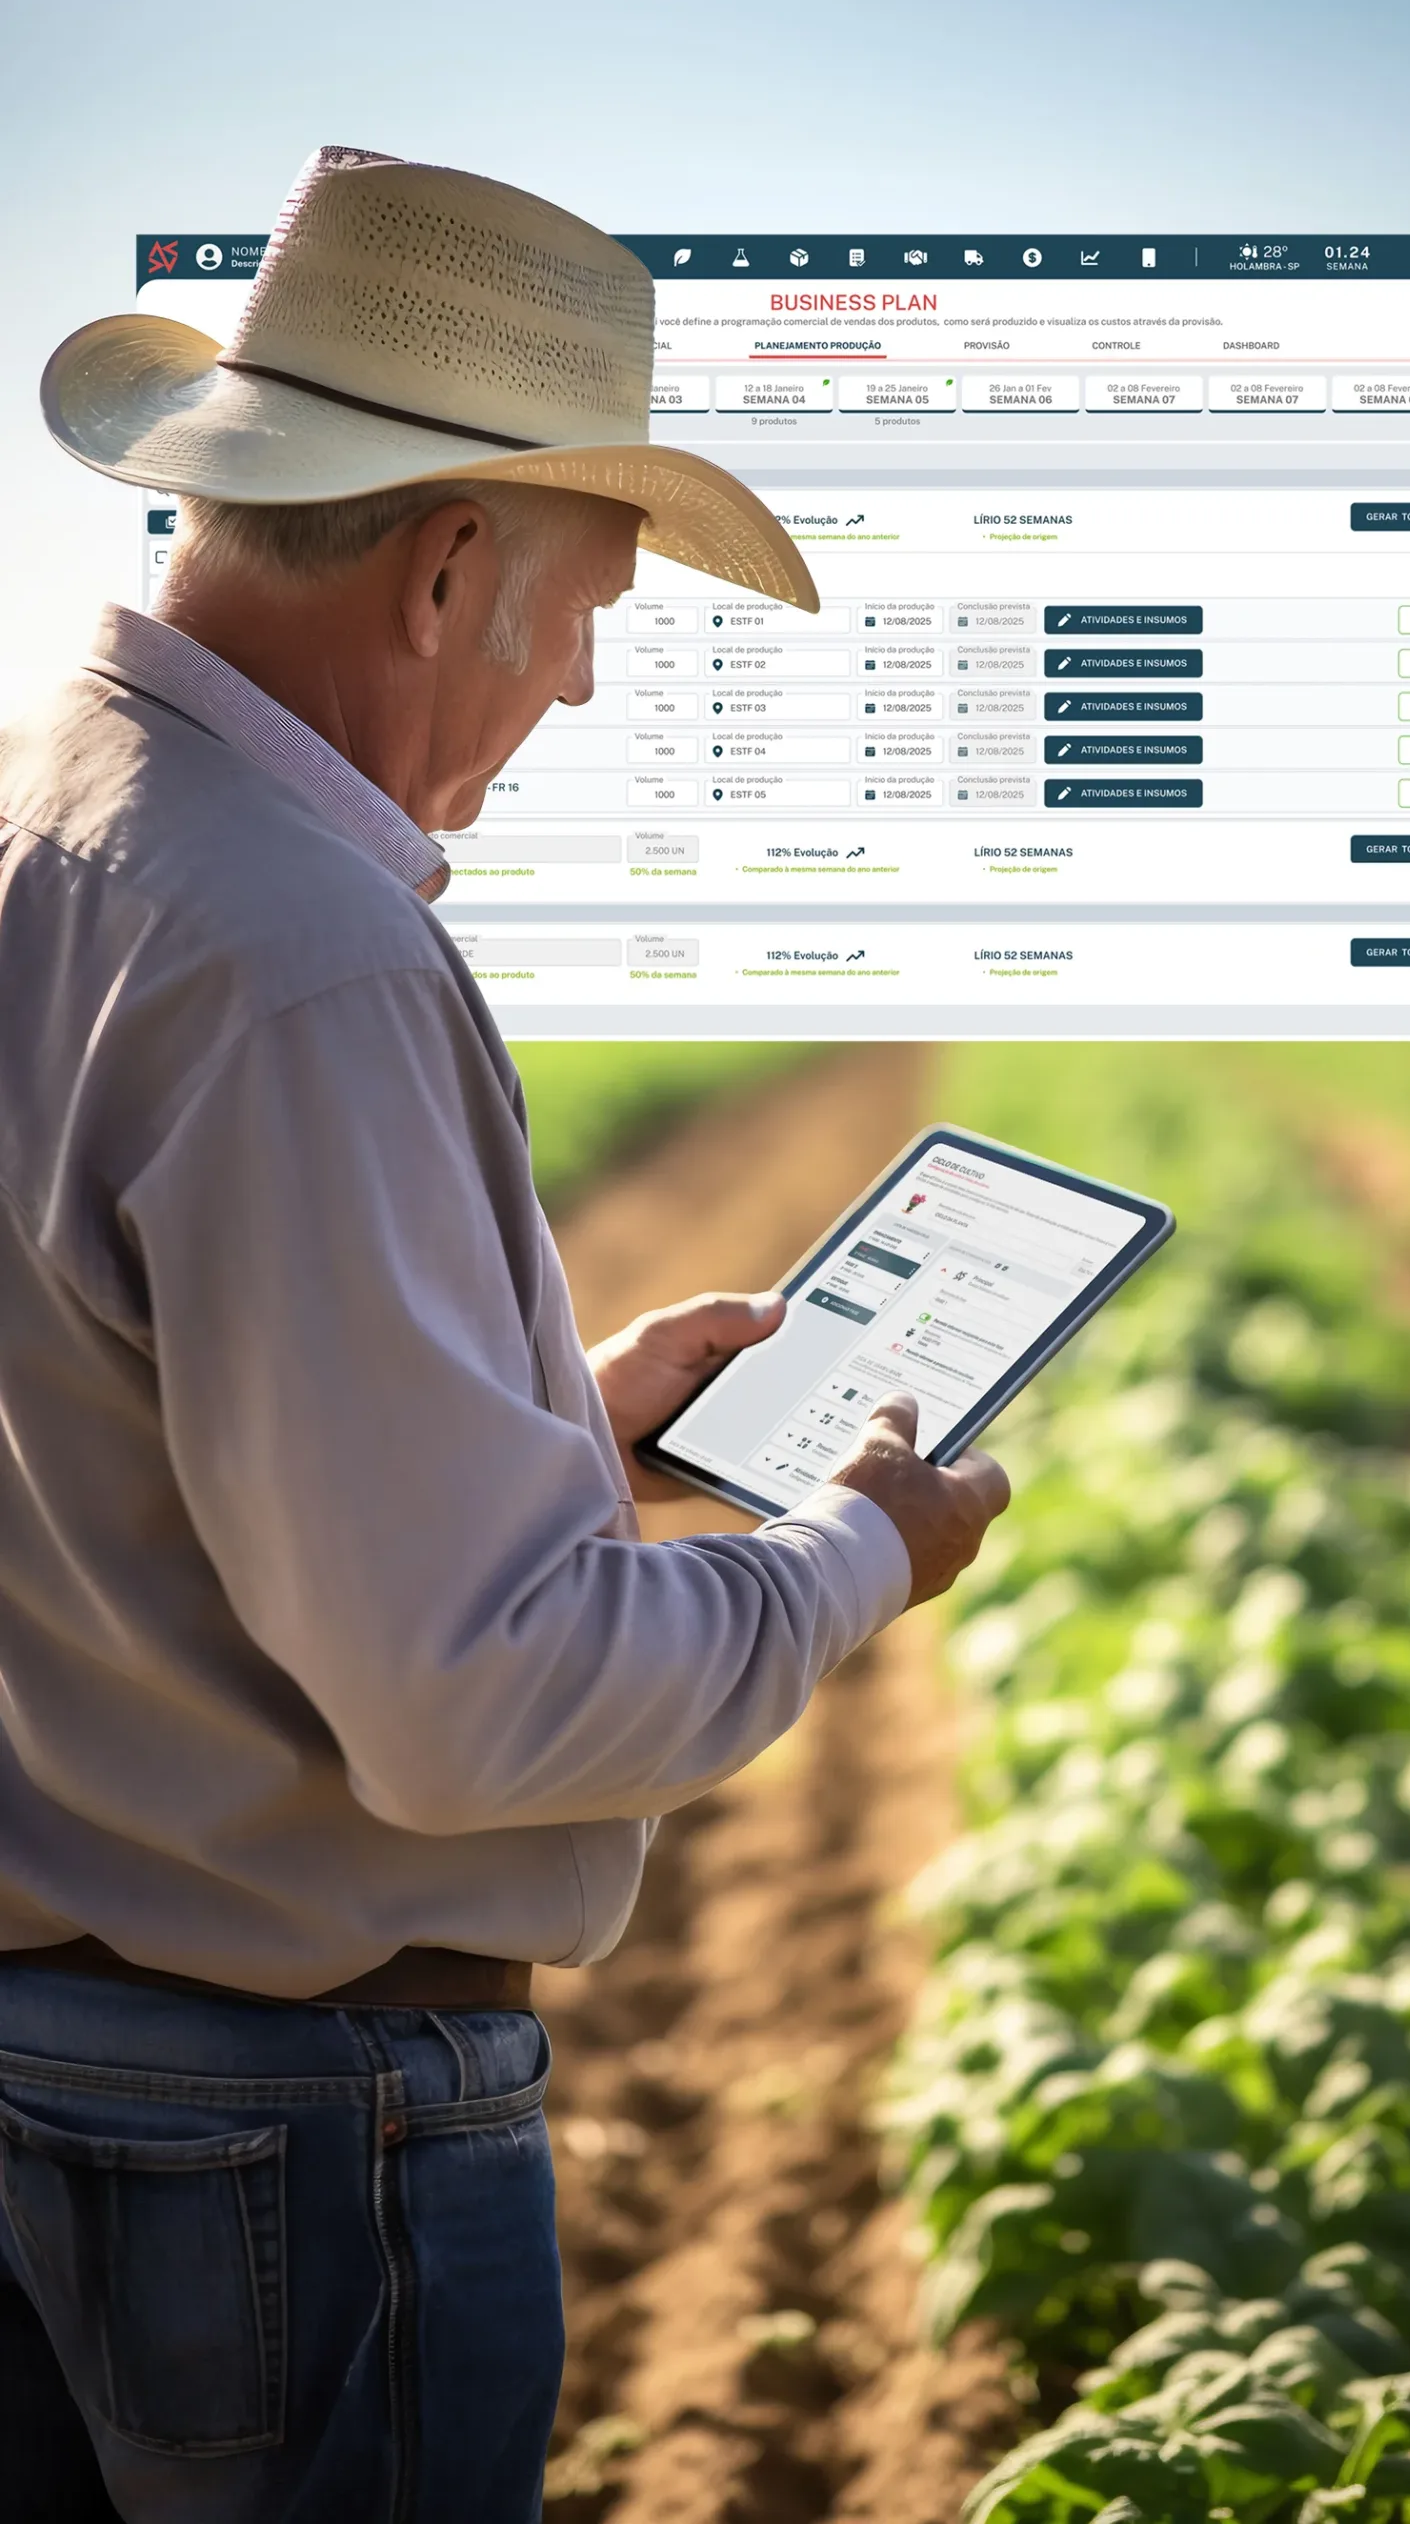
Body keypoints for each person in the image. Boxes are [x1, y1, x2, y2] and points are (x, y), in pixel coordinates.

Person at [0, 147, 1008, 2524]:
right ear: (452, 561)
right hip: (271, 2145)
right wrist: (859, 1553)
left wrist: (564, 1413)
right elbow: (480, 1708)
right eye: (586, 612)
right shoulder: (302, 952)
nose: (572, 680)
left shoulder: (54, 826)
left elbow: (115, 1431)